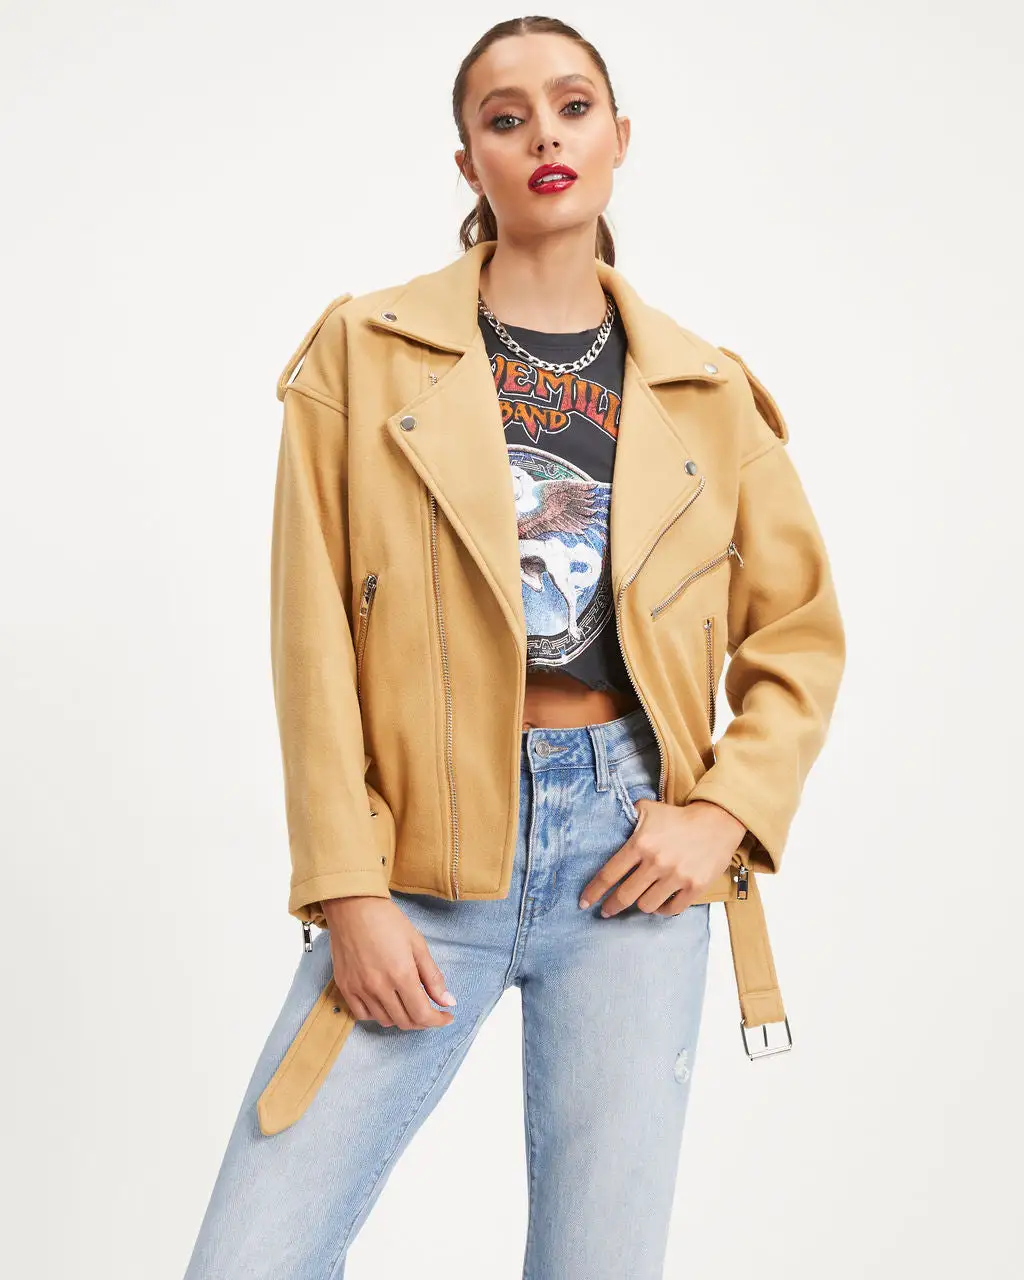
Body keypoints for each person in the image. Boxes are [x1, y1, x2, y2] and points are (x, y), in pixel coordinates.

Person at [183, 15, 845, 1279]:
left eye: (573, 105)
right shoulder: (363, 355)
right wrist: (347, 885)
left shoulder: (706, 390)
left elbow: (799, 631)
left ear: (617, 138)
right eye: (505, 115)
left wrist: (722, 813)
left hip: (630, 861)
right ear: (468, 162)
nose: (545, 131)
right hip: (419, 852)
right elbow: (310, 634)